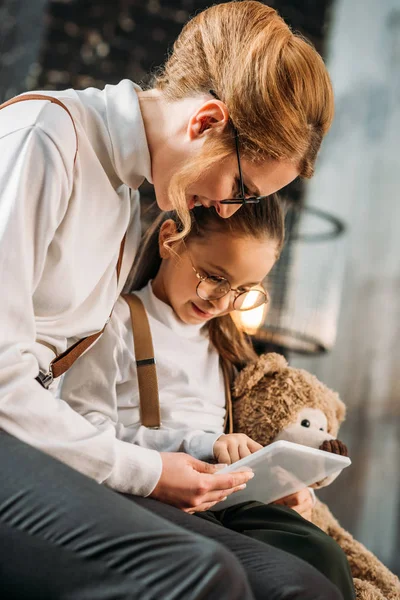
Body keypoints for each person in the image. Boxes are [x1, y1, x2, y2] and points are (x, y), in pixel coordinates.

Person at [0, 1, 338, 598]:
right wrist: (148, 471)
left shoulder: (129, 201)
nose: (228, 211)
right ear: (206, 121)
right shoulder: (44, 138)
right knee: (203, 574)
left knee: (296, 583)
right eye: (239, 188)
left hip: (33, 441)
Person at [60, 200, 355, 600]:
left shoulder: (223, 343)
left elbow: (248, 437)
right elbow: (84, 432)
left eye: (243, 291)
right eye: (214, 276)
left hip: (226, 498)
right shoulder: (116, 321)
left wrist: (285, 483)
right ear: (169, 240)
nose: (221, 302)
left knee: (318, 550)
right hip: (150, 494)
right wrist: (202, 443)